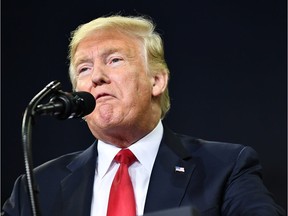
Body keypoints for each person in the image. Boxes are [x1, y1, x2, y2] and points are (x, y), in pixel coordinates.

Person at [2, 14, 285, 216]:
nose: (96, 77)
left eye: (114, 60)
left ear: (157, 81)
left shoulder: (225, 168)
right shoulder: (37, 186)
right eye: (84, 68)